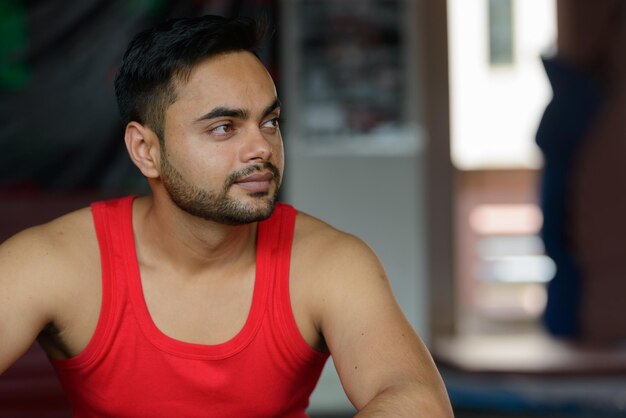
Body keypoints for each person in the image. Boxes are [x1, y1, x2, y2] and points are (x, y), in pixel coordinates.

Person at [0, 15, 452, 417]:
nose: (262, 148)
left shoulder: (329, 262)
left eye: (269, 122)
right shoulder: (54, 261)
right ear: (146, 151)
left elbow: (418, 400)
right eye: (223, 128)